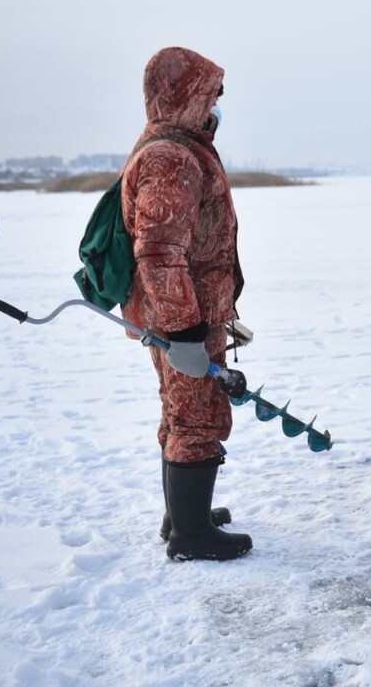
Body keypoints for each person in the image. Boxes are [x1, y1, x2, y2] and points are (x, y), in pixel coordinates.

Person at [120, 46, 252, 561]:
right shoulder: (170, 158)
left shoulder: (174, 146)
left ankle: (183, 515)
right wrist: (185, 332)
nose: (216, 105)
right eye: (210, 95)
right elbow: (158, 251)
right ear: (186, 96)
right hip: (181, 315)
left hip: (184, 311)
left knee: (180, 411)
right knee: (197, 416)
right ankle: (191, 536)